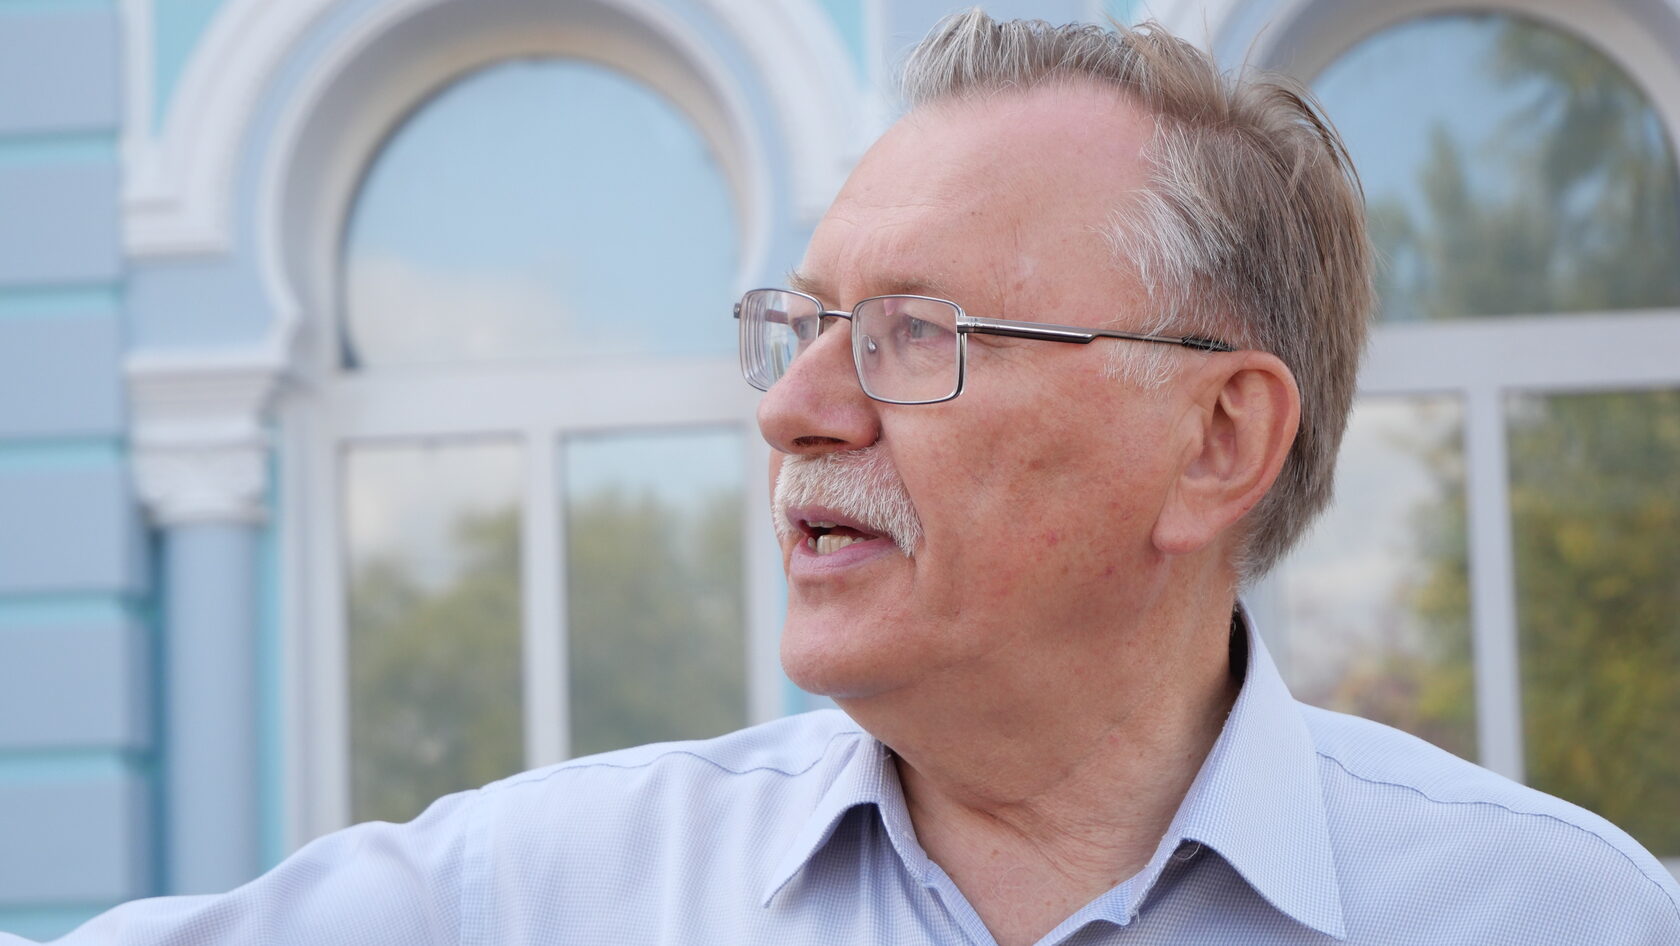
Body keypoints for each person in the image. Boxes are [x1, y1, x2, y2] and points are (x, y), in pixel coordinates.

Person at [12, 11, 1678, 946]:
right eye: (800, 326)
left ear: (1218, 440)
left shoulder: (1556, 914)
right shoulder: (551, 894)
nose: (796, 409)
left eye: (912, 333)